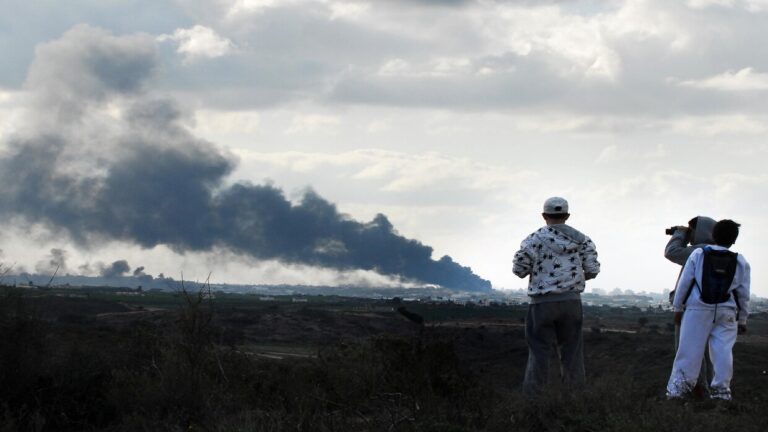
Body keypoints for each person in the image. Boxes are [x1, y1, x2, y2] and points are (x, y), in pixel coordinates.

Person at [513, 197, 600, 395]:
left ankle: (533, 402)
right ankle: (575, 400)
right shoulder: (582, 240)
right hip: (571, 302)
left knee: (538, 354)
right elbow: (593, 269)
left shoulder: (532, 240)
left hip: (542, 305)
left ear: (544, 216)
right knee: (572, 354)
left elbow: (519, 269)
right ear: (567, 216)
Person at [666, 219, 750, 400]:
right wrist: (742, 320)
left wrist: (678, 308)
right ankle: (722, 394)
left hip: (697, 309)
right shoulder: (740, 261)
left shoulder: (698, 254)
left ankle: (678, 391)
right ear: (734, 240)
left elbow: (684, 283)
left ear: (713, 235)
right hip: (726, 312)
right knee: (722, 353)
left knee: (689, 352)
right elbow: (743, 294)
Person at [664, 216, 716, 396]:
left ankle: (694, 390)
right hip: (714, 309)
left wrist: (679, 235)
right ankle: (710, 389)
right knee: (708, 353)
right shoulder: (718, 251)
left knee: (687, 350)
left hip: (692, 309)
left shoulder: (699, 251)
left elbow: (671, 252)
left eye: (692, 230)